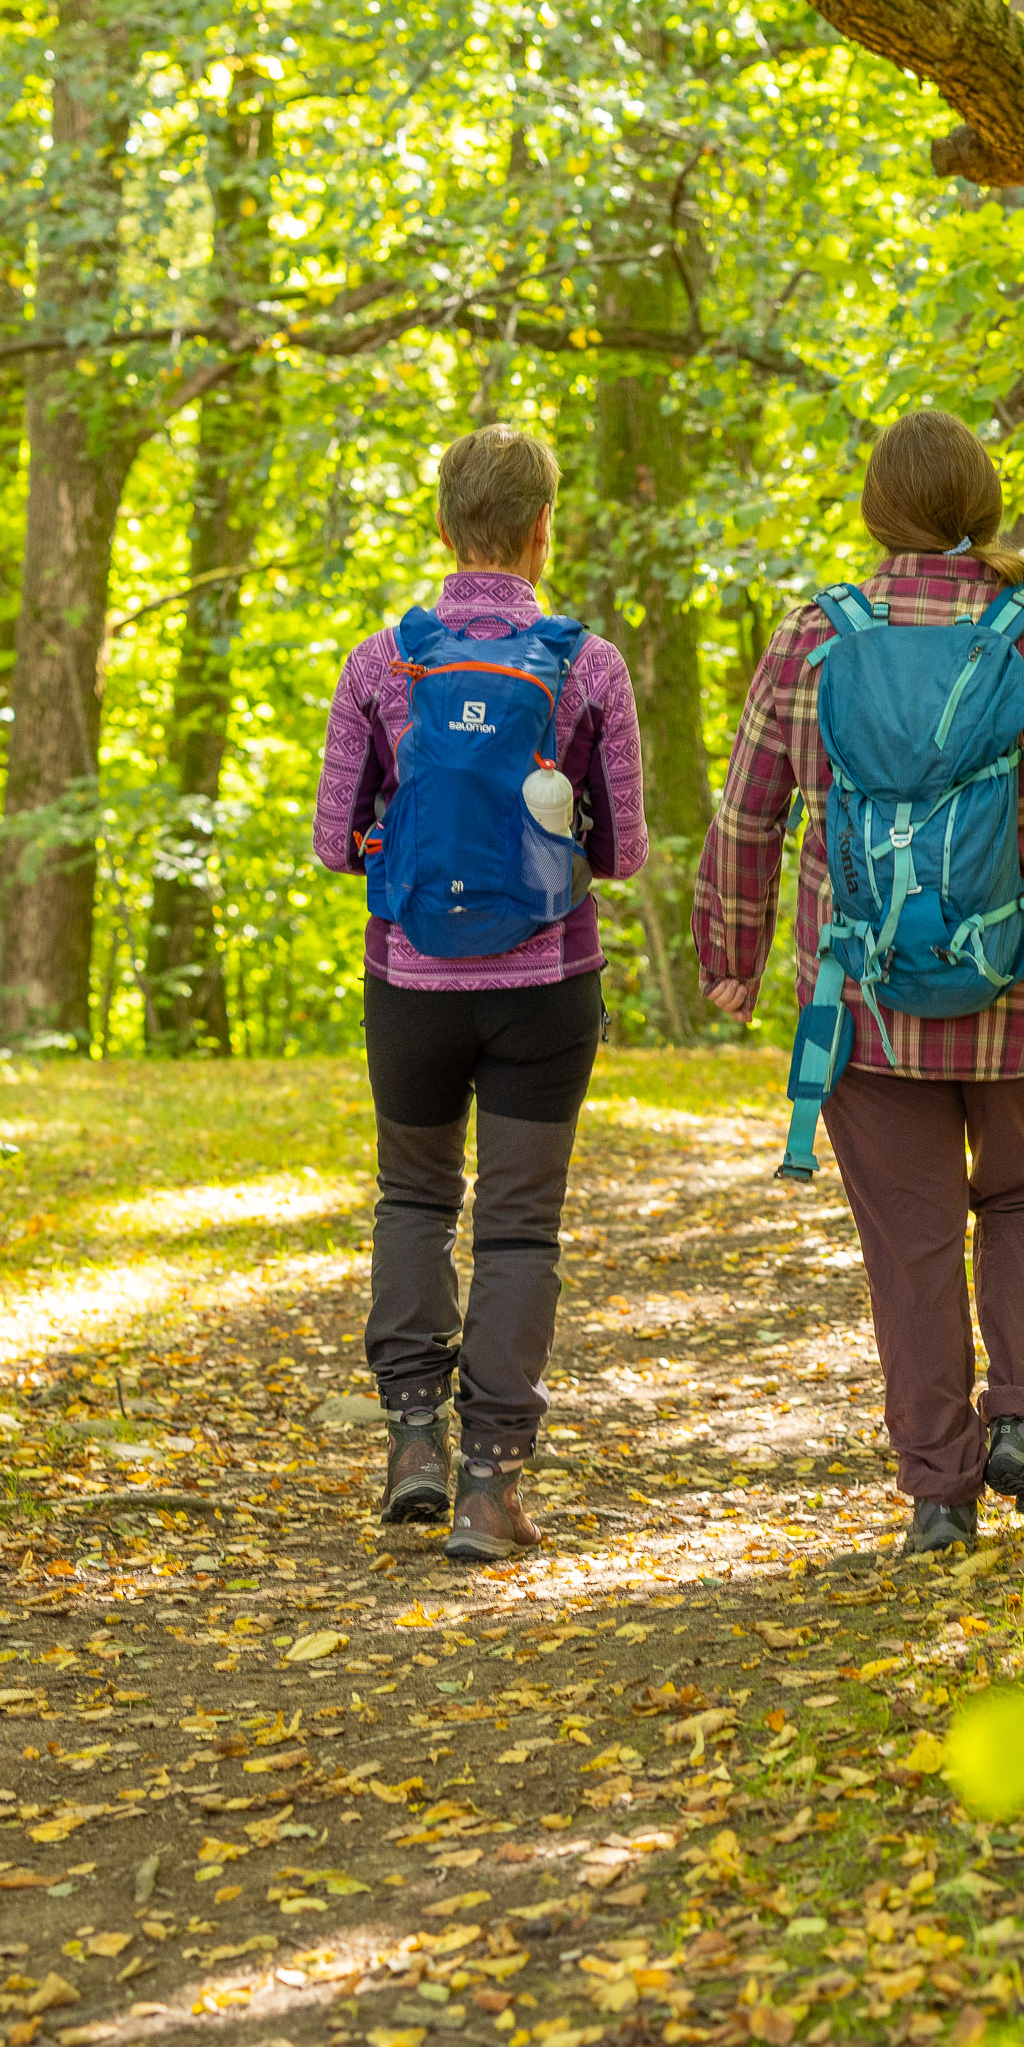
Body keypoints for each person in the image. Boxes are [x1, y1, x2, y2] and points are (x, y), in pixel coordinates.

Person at [695, 409, 1024, 1557]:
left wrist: (732, 955)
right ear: (985, 505)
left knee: (907, 1240)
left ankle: (937, 1496)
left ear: (877, 514)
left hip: (864, 997)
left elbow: (749, 814)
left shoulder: (814, 639)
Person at [313, 424, 646, 1564]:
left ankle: (412, 1440)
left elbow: (334, 842)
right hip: (545, 987)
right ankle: (489, 1488)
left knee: (412, 1202)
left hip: (409, 982)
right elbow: (625, 852)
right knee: (518, 1228)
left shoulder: (381, 663)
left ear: (443, 525)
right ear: (544, 527)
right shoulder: (589, 666)